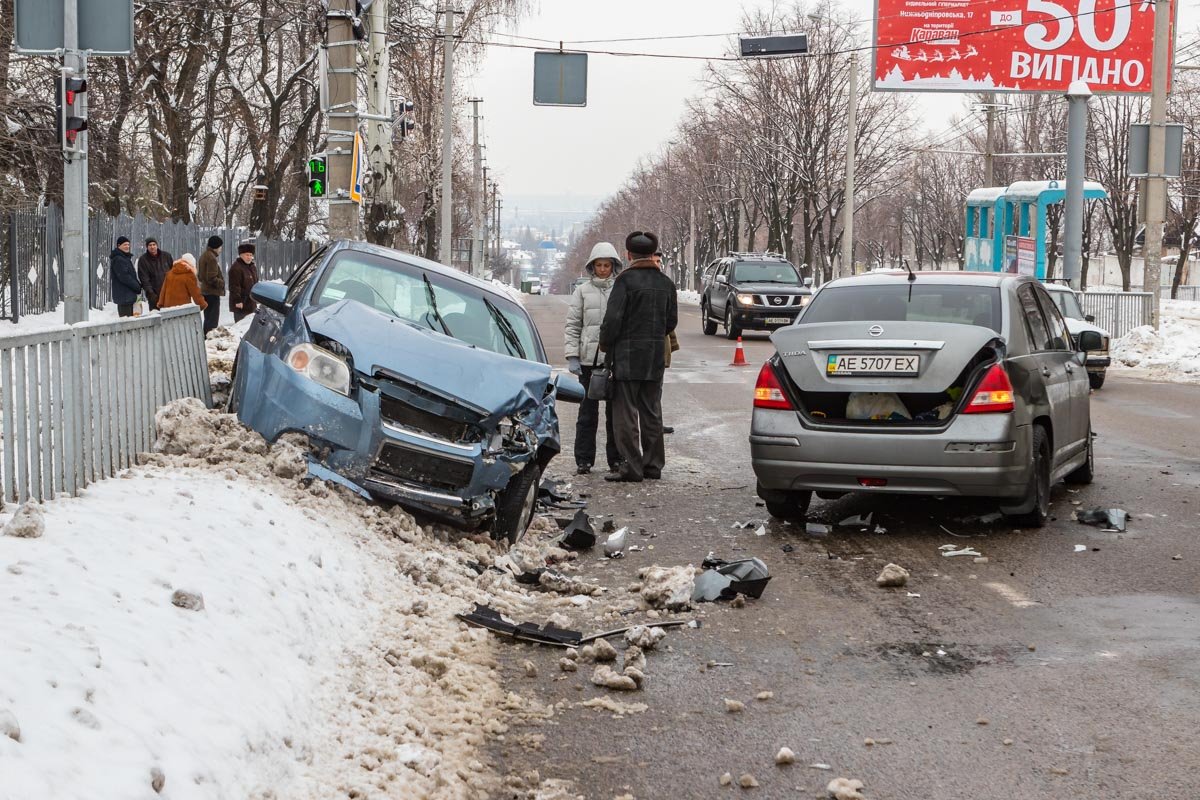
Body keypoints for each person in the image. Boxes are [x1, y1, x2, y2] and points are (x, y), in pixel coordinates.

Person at [598, 231, 677, 483]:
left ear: (629, 254)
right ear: (653, 254)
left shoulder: (624, 281)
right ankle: (653, 466)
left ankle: (632, 467)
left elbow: (612, 320)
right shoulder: (666, 283)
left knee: (626, 414)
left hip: (626, 356)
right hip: (654, 356)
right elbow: (671, 322)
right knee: (652, 411)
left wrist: (606, 344)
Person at [564, 242, 622, 475]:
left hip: (614, 361)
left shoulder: (620, 289)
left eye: (607, 265)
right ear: (592, 266)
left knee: (614, 414)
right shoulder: (582, 291)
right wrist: (572, 356)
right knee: (587, 413)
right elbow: (573, 325)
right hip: (588, 360)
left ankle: (615, 459)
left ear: (614, 266)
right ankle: (584, 460)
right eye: (599, 265)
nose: (603, 269)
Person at [653, 248, 679, 435]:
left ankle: (655, 423)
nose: (656, 265)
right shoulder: (631, 283)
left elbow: (671, 319)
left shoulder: (664, 285)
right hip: (638, 349)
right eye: (653, 261)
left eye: (658, 263)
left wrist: (671, 340)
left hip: (659, 347)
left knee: (657, 389)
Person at [136, 237, 174, 311]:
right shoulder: (143, 260)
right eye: (150, 245)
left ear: (157, 245)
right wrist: (151, 293)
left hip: (168, 293)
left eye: (154, 244)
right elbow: (144, 279)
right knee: (156, 317)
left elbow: (172, 272)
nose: (152, 247)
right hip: (154, 295)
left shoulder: (166, 256)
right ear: (147, 247)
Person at [198, 235, 225, 334]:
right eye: (220, 247)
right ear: (216, 246)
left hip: (205, 291)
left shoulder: (204, 255)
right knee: (212, 321)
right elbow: (211, 278)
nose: (221, 249)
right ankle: (210, 339)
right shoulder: (212, 258)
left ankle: (206, 337)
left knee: (207, 318)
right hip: (212, 292)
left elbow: (200, 276)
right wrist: (221, 283)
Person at [110, 236, 141, 318]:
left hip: (128, 296)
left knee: (132, 321)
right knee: (127, 323)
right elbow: (124, 277)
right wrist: (137, 286)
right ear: (118, 246)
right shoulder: (119, 259)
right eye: (124, 245)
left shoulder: (125, 258)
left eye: (128, 244)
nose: (127, 246)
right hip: (124, 297)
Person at [227, 242, 259, 322]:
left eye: (251, 255)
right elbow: (234, 286)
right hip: (241, 305)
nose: (249, 257)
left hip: (251, 303)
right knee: (241, 327)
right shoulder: (236, 268)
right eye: (247, 255)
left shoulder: (252, 267)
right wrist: (238, 301)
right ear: (241, 255)